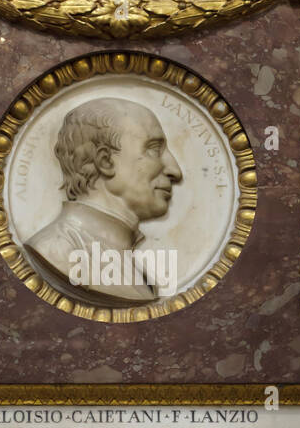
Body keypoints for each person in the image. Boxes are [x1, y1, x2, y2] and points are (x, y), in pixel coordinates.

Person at [24, 97, 183, 305]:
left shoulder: (135, 269)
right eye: (153, 149)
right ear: (105, 161)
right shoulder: (56, 250)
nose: (175, 171)